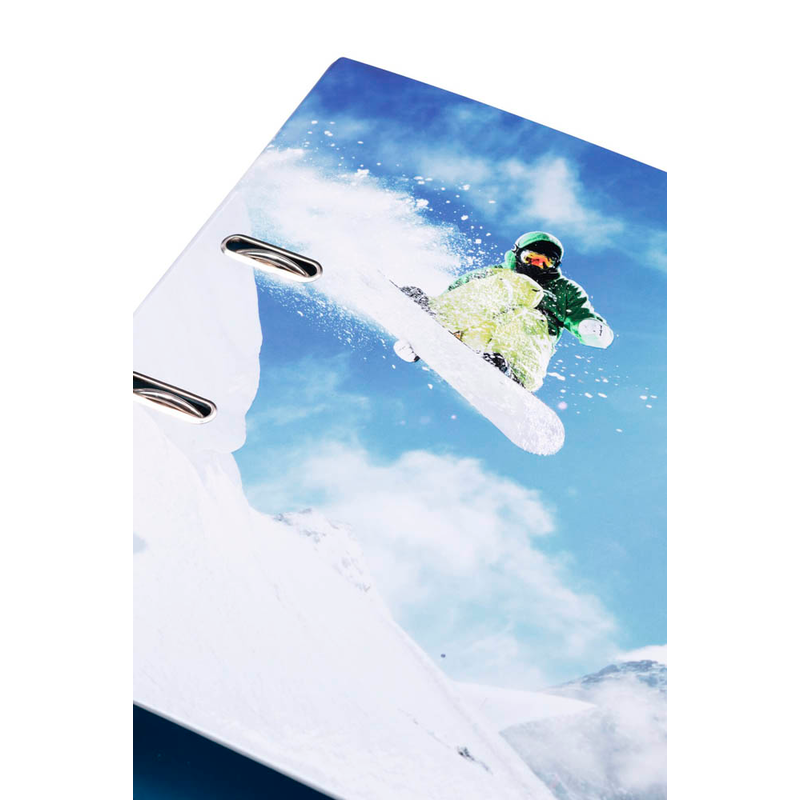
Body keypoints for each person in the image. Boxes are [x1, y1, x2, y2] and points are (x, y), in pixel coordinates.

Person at [394, 231, 613, 392]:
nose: (537, 265)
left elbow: (582, 316)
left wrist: (590, 328)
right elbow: (459, 295)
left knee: (528, 310)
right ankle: (436, 316)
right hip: (471, 336)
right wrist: (421, 339)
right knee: (509, 284)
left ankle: (509, 369)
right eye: (531, 258)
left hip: (521, 348)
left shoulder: (564, 289)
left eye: (545, 262)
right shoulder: (494, 274)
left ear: (554, 266)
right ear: (517, 255)